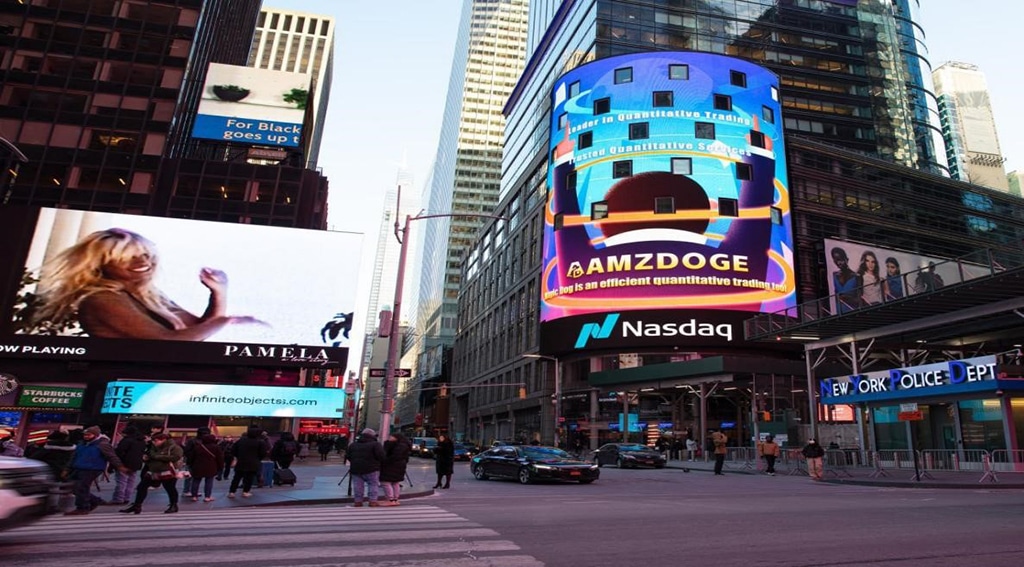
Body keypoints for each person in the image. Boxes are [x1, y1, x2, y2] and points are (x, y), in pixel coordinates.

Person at [31, 228, 263, 340]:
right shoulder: (101, 299)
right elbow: (168, 343)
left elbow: (197, 329)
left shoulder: (146, 294)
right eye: (126, 257)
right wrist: (227, 321)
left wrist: (219, 292)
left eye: (145, 254)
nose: (142, 261)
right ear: (101, 263)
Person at [66, 426, 129, 515]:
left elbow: (112, 456)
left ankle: (82, 507)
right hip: (79, 467)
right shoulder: (82, 444)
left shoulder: (102, 444)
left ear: (96, 435)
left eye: (89, 435)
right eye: (85, 435)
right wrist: (67, 468)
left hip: (93, 468)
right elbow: (74, 456)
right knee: (72, 486)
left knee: (81, 487)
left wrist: (120, 466)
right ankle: (95, 501)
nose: (86, 437)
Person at [120, 432, 183, 514]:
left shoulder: (174, 447)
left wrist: (157, 456)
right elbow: (149, 455)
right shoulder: (153, 447)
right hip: (153, 470)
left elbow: (176, 457)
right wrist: (146, 458)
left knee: (170, 488)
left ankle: (173, 505)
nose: (154, 442)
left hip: (167, 471)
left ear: (163, 440)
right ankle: (137, 505)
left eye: (156, 441)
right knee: (142, 486)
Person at [345, 428, 385, 507]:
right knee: (373, 484)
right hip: (372, 468)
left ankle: (358, 501)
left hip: (356, 468)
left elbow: (348, 456)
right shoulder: (375, 444)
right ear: (372, 435)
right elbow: (381, 456)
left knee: (358, 486)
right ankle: (372, 501)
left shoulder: (353, 444)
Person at [112, 425, 147, 505]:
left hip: (124, 463)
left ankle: (118, 499)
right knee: (130, 482)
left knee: (121, 482)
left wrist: (115, 465)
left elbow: (119, 452)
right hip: (136, 464)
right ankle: (126, 498)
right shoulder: (141, 441)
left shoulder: (126, 440)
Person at [228, 427, 265, 498]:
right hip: (253, 462)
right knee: (249, 478)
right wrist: (257, 459)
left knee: (237, 477)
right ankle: (245, 491)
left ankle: (232, 492)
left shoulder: (241, 440)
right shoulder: (260, 442)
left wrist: (238, 456)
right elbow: (262, 453)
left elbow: (233, 450)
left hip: (241, 461)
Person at [187, 433, 224, 503]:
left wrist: (190, 465)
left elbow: (192, 457)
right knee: (209, 481)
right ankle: (207, 497)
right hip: (211, 467)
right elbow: (220, 458)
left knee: (196, 481)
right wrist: (220, 467)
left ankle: (194, 496)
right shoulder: (216, 447)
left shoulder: (198, 447)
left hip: (197, 466)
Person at [380, 433, 412, 506]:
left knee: (386, 482)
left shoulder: (398, 446)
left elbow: (392, 456)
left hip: (392, 466)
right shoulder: (404, 445)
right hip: (400, 466)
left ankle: (390, 499)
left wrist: (385, 461)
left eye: (391, 437)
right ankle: (395, 499)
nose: (389, 438)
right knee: (395, 482)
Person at [831, 247, 861, 313]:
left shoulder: (856, 276)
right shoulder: (834, 275)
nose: (838, 263)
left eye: (840, 260)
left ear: (846, 259)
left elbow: (860, 300)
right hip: (839, 312)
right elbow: (835, 296)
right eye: (835, 260)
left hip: (853, 312)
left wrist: (847, 298)